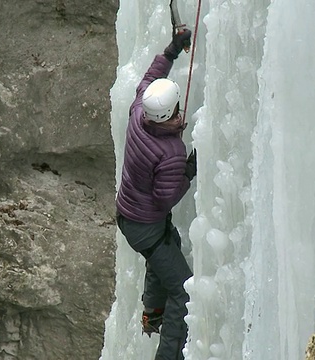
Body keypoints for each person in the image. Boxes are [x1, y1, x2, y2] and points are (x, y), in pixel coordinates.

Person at [115, 29, 196, 360]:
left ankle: (153, 311)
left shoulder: (138, 114)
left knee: (166, 247)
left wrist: (172, 50)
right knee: (184, 290)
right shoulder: (170, 151)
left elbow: (150, 78)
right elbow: (166, 199)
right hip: (144, 225)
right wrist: (189, 172)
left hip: (129, 215)